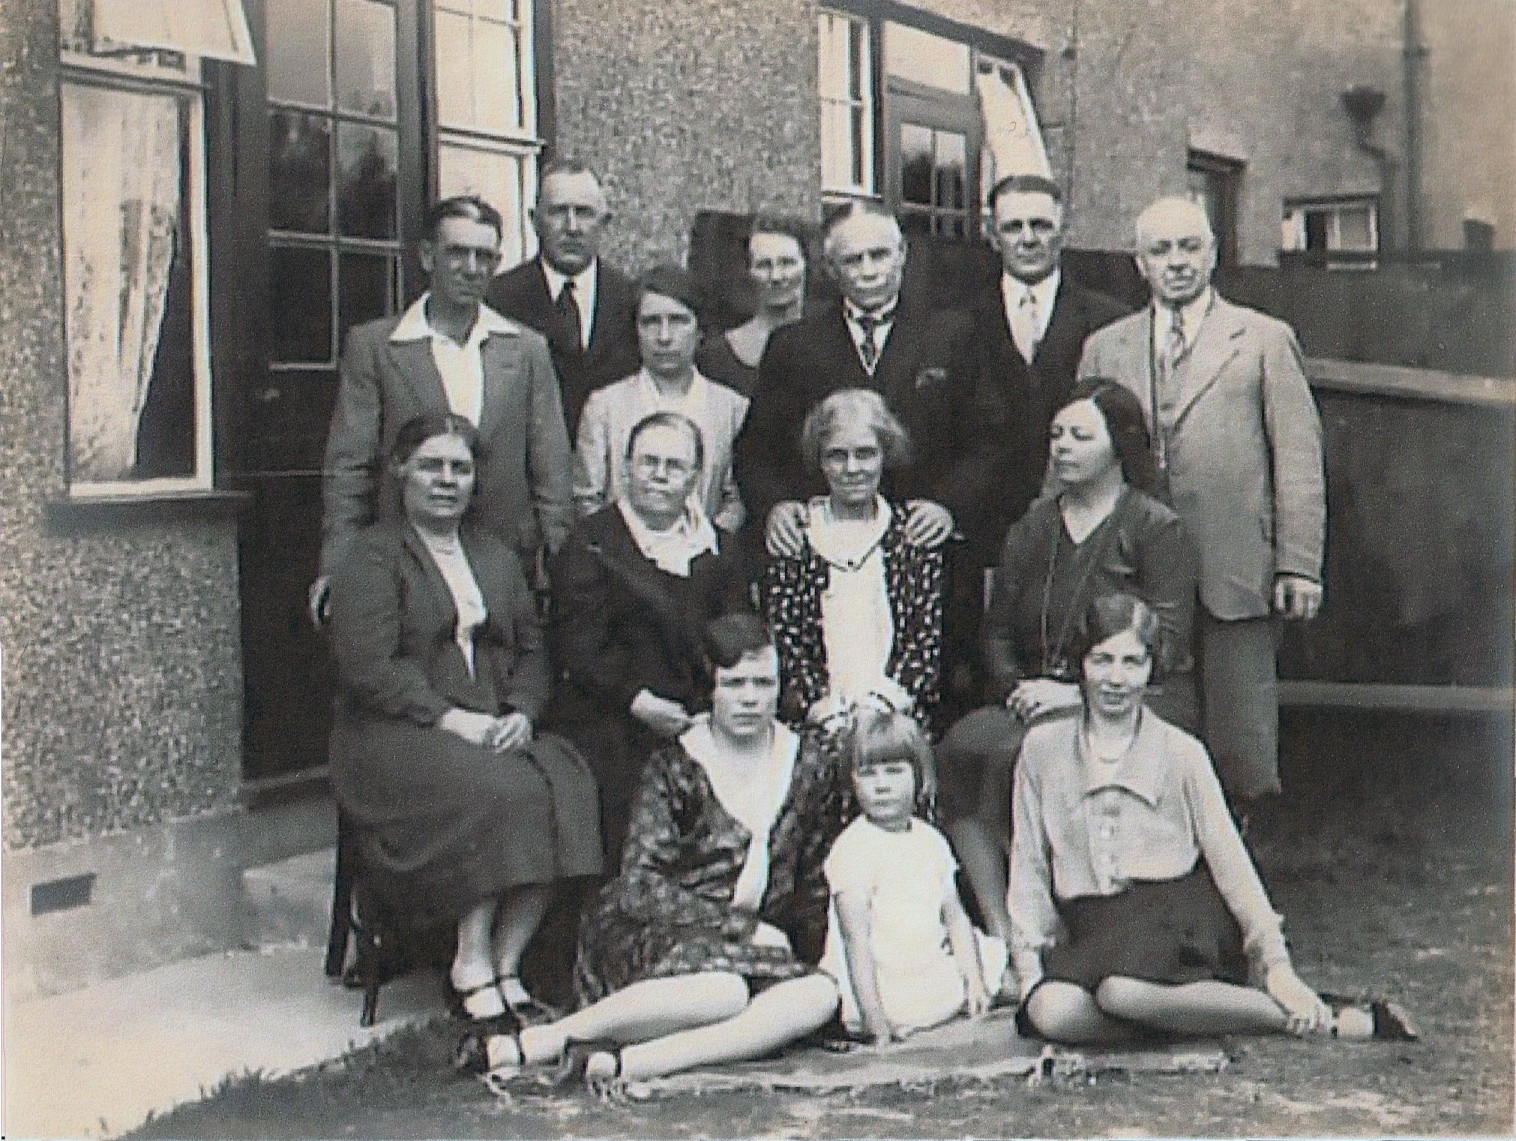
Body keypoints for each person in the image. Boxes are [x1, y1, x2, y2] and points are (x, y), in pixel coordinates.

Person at [457, 614, 846, 1095]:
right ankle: (541, 1042)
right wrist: (744, 928)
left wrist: (827, 955)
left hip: (751, 951)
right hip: (648, 929)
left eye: (763, 684)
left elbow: (815, 877)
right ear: (710, 689)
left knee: (817, 996)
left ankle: (624, 1064)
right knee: (721, 991)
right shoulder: (675, 765)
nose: (750, 698)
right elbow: (640, 887)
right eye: (734, 684)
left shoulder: (809, 761)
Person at [1010, 592, 1415, 1044]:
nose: (1116, 679)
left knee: (1120, 993)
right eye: (1101, 660)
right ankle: (1201, 1019)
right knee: (1051, 1012)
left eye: (1132, 662)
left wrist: (1276, 965)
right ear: (1079, 665)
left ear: (1151, 669)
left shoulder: (1182, 751)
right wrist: (1029, 967)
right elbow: (1028, 862)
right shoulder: (1042, 749)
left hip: (1174, 920)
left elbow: (1231, 862)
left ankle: (1315, 1020)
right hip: (1094, 928)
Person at [326, 413, 602, 1027]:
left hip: (490, 722)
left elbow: (534, 648)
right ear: (401, 471)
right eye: (431, 465)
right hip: (393, 734)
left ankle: (507, 962)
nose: (446, 480)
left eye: (461, 468)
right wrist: (450, 719)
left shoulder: (494, 554)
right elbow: (369, 667)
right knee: (502, 791)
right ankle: (469, 961)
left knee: (570, 782)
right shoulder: (371, 556)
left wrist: (523, 713)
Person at [1077, 196, 1326, 809]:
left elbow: (1297, 458)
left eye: (1190, 247)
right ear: (1140, 264)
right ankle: (1159, 855)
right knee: (1150, 715)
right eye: (1160, 250)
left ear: (1213, 254)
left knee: (1240, 732)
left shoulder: (1263, 340)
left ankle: (1241, 856)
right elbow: (1078, 457)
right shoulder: (1105, 348)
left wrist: (1298, 564)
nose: (1177, 262)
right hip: (1135, 567)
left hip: (1235, 566)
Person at [937, 378, 1198, 951]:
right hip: (1033, 697)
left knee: (1022, 756)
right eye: (1057, 434)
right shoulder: (1034, 524)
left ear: (1119, 446)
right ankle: (1002, 927)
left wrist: (1078, 696)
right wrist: (1016, 688)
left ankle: (1069, 922)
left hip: (1124, 697)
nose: (1063, 447)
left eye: (1081, 435)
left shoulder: (1154, 528)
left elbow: (1169, 645)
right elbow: (998, 625)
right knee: (960, 750)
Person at [314, 196, 573, 623]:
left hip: (507, 561)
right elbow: (349, 470)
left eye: (484, 256)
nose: (472, 268)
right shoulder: (378, 347)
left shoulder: (525, 349)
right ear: (428, 256)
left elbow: (552, 471)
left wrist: (562, 571)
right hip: (406, 563)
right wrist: (339, 566)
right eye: (458, 253)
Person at [735, 202, 995, 563]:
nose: (869, 271)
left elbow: (991, 442)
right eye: (853, 260)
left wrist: (948, 506)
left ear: (902, 254)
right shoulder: (793, 345)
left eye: (879, 255)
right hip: (826, 553)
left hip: (928, 551)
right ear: (829, 269)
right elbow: (756, 451)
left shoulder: (957, 335)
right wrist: (776, 506)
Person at [548, 412, 749, 861]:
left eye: (674, 466)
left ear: (696, 477)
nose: (660, 475)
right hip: (614, 716)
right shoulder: (590, 543)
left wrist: (713, 710)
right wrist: (638, 701)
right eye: (648, 462)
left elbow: (736, 639)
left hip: (700, 716)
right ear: (626, 469)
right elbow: (580, 646)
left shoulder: (721, 549)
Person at [760, 389, 944, 728]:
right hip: (819, 719)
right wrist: (826, 712)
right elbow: (788, 642)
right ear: (820, 460)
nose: (852, 468)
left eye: (865, 454)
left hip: (896, 718)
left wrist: (880, 707)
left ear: (884, 456)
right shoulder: (798, 535)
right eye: (837, 456)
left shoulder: (911, 534)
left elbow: (924, 641)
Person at [819, 710, 1003, 1043]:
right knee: (894, 1003)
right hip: (881, 983)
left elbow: (955, 917)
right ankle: (897, 1018)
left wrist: (974, 980)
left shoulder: (929, 839)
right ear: (852, 781)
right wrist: (876, 1021)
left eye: (894, 771)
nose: (882, 785)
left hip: (924, 967)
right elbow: (854, 943)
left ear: (920, 777)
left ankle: (968, 994)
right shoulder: (853, 848)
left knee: (990, 955)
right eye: (868, 774)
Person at [970, 174, 1129, 550]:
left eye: (1040, 225)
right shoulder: (959, 317)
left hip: (1084, 522)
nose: (1027, 239)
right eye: (1013, 227)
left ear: (1063, 231)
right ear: (993, 234)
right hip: (982, 525)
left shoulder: (1109, 321)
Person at [573, 265, 748, 533]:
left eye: (678, 321)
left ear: (700, 329)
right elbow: (587, 499)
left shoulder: (732, 408)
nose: (664, 337)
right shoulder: (605, 406)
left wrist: (705, 546)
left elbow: (736, 498)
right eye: (651, 322)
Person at [487, 159, 641, 436]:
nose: (571, 227)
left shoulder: (632, 300)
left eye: (583, 213)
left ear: (605, 222)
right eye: (558, 212)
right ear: (535, 221)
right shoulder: (497, 300)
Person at [694, 215, 809, 398]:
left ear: (805, 264)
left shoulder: (830, 345)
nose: (777, 276)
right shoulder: (716, 357)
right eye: (764, 265)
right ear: (748, 272)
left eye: (787, 263)